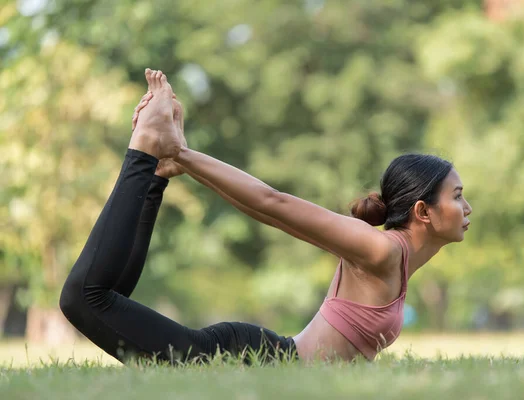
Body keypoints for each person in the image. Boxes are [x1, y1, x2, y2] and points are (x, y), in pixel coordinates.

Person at [59, 68, 472, 365]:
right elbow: (272, 203)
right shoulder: (379, 249)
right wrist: (184, 154)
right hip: (249, 359)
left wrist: (180, 161)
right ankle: (146, 148)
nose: (467, 208)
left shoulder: (398, 260)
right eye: (457, 197)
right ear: (423, 212)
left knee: (108, 298)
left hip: (265, 355)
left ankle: (155, 170)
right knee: (84, 298)